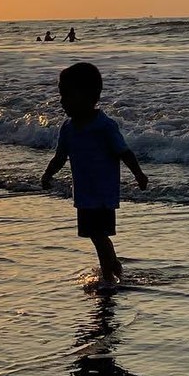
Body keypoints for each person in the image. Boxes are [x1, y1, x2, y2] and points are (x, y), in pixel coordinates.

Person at [41, 61, 147, 289]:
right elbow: (60, 156)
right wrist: (48, 175)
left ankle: (109, 277)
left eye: (68, 95)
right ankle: (114, 269)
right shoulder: (68, 128)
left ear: (90, 95)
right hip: (84, 194)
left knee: (99, 235)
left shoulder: (104, 126)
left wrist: (138, 174)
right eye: (61, 95)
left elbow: (124, 152)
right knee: (94, 235)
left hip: (103, 192)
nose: (62, 102)